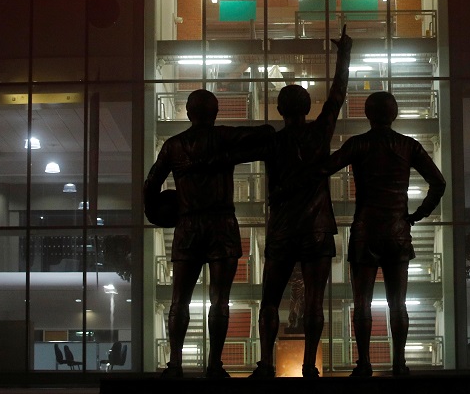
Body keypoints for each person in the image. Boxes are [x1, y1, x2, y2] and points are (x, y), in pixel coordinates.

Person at [240, 26, 351, 378]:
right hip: (317, 228)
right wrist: (344, 55)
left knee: (270, 299)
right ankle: (308, 367)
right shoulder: (320, 132)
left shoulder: (271, 141)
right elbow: (337, 95)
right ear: (307, 107)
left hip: (283, 228)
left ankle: (266, 364)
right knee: (315, 300)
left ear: (279, 109)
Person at [142, 88, 269, 379]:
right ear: (215, 112)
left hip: (188, 226)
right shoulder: (223, 136)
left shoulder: (173, 146)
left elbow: (150, 184)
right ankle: (214, 365)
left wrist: (157, 213)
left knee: (179, 300)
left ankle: (175, 364)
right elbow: (262, 134)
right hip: (221, 224)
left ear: (188, 113)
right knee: (220, 299)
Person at [324, 91, 446, 377]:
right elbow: (438, 183)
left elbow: (325, 168)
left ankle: (364, 363)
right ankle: (399, 363)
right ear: (395, 114)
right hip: (397, 231)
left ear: (367, 114)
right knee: (398, 303)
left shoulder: (358, 144)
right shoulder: (409, 145)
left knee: (362, 303)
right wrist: (417, 214)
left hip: (365, 230)